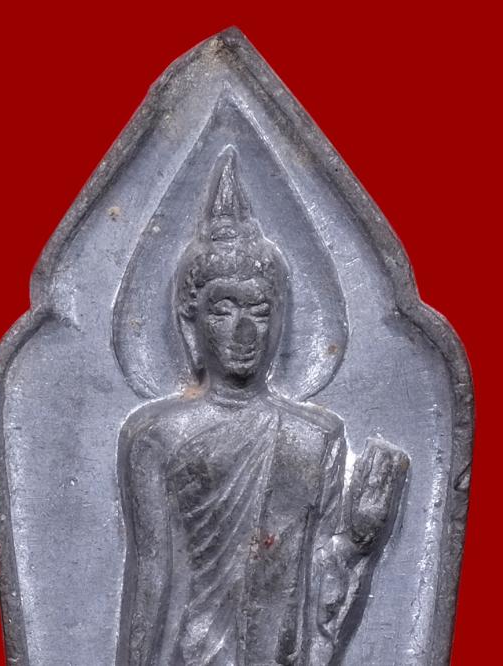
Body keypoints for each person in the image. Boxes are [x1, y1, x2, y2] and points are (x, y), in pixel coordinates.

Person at [117, 147, 409, 666]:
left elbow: (316, 586)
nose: (245, 332)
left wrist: (358, 537)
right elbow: (151, 582)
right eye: (223, 310)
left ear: (280, 318)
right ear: (191, 322)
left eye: (259, 309)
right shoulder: (156, 438)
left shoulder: (313, 439)